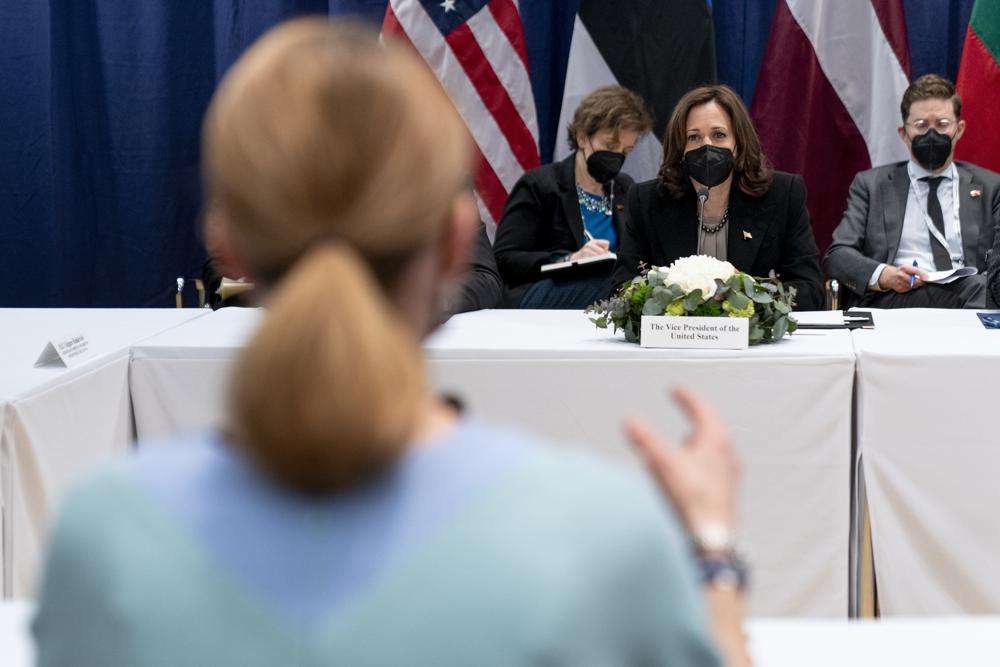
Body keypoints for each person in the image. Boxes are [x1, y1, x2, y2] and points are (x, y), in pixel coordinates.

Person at [33, 20, 750, 667]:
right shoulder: (603, 539)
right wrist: (713, 550)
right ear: (454, 243)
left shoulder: (104, 537)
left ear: (228, 244)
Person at [611, 85, 825, 311]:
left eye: (719, 135)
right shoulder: (646, 200)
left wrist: (748, 297)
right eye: (693, 137)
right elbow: (622, 289)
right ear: (680, 148)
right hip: (677, 341)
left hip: (752, 343)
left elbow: (810, 289)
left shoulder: (782, 194)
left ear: (738, 144)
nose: (706, 146)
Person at [825, 74, 1000, 309]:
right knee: (981, 290)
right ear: (904, 133)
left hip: (969, 293)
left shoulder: (990, 187)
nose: (931, 134)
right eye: (921, 126)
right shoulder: (871, 185)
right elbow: (838, 255)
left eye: (941, 125)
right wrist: (885, 275)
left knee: (982, 287)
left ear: (959, 130)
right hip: (895, 297)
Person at [493, 85, 651, 309]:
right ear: (582, 137)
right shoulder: (540, 184)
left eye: (626, 151)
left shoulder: (624, 187)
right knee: (619, 286)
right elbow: (505, 258)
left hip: (604, 296)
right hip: (542, 291)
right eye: (609, 145)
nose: (617, 156)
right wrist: (569, 259)